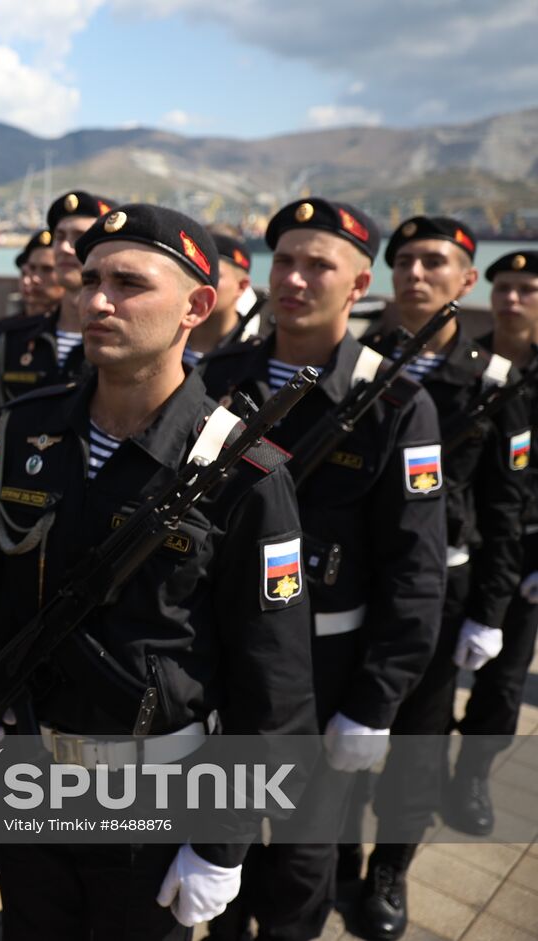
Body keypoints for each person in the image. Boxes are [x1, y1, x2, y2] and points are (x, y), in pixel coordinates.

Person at [0, 204, 317, 940]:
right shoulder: (27, 427)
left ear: (196, 305)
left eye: (128, 283)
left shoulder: (243, 470)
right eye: (90, 279)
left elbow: (274, 683)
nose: (96, 300)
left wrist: (221, 842)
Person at [198, 198, 447, 941]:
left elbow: (416, 570)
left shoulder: (396, 403)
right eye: (285, 261)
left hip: (327, 664)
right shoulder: (217, 376)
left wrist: (375, 703)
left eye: (319, 265)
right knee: (216, 840)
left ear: (359, 283)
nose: (295, 279)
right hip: (221, 654)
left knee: (300, 866)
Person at [350, 216, 527, 941]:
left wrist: (490, 612)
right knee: (344, 730)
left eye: (434, 262)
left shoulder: (492, 382)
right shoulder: (360, 363)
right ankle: (335, 859)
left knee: (419, 744)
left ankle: (389, 869)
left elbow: (505, 509)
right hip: (355, 582)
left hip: (440, 591)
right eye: (404, 263)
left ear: (465, 279)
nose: (416, 274)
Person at [447, 249, 538, 837]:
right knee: (436, 674)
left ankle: (472, 777)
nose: (510, 299)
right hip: (462, 543)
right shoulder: (466, 366)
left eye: (526, 289)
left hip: (525, 553)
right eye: (503, 287)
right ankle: (422, 770)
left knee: (504, 683)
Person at [0, 192, 116, 408]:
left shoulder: (118, 342)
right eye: (59, 237)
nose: (64, 248)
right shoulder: (16, 338)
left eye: (79, 236)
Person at [184, 233, 254, 366]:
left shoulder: (253, 355)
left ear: (241, 286)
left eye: (214, 275)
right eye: (194, 271)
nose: (201, 281)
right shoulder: (163, 343)